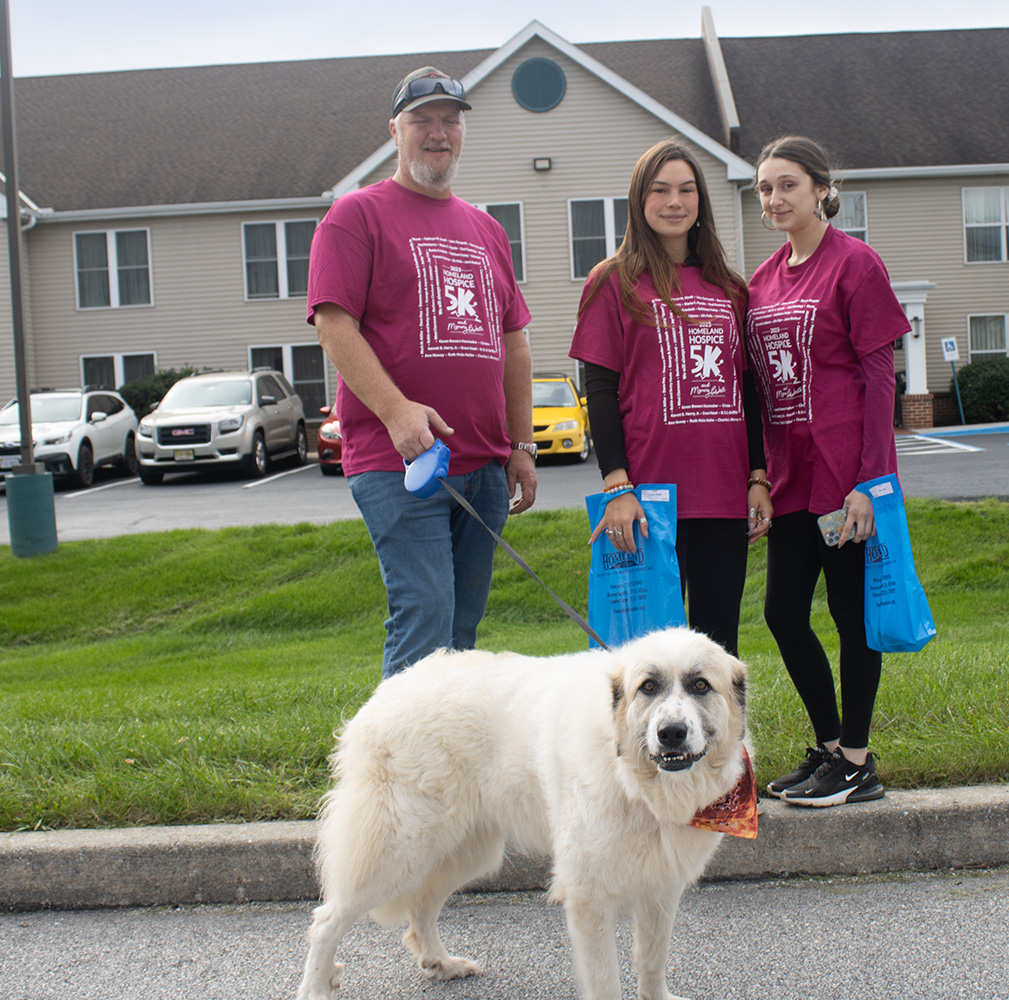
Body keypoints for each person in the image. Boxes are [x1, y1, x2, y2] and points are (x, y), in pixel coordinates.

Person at [307, 67, 537, 678]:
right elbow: (334, 326)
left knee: (461, 626)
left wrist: (521, 445)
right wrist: (396, 411)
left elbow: (513, 342)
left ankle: (448, 741)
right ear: (395, 131)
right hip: (400, 462)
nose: (438, 133)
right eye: (422, 121)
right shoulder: (355, 216)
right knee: (426, 612)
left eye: (450, 121)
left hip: (484, 466)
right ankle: (395, 745)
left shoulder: (487, 229)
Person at [745, 135, 912, 806]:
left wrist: (872, 482)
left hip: (845, 478)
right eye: (765, 188)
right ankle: (831, 747)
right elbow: (757, 389)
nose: (774, 198)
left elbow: (880, 378)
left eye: (788, 184)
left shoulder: (856, 264)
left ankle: (858, 760)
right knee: (783, 613)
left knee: (850, 615)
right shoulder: (761, 281)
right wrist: (759, 473)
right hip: (792, 477)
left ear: (821, 189)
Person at [569, 139, 771, 655]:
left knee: (716, 647)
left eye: (686, 189)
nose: (674, 202)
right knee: (642, 654)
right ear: (640, 200)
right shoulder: (611, 281)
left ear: (701, 199)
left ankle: (719, 719)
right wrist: (617, 486)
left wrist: (757, 477)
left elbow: (747, 389)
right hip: (647, 500)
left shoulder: (730, 288)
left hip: (722, 493)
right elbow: (600, 390)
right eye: (660, 190)